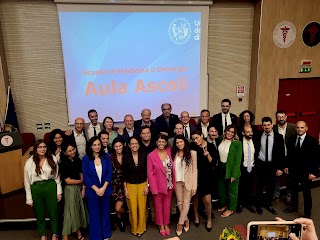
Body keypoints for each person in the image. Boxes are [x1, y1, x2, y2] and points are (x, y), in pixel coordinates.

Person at [24, 140, 62, 240]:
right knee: (39, 213)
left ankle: (55, 234)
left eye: (44, 147)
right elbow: (27, 182)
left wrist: (59, 192)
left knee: (53, 212)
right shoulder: (29, 162)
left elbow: (57, 177)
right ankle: (42, 235)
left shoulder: (52, 158)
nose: (42, 149)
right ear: (36, 149)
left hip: (50, 186)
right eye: (40, 147)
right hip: (36, 188)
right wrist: (29, 198)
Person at [283, 121, 319, 218]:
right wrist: (286, 166)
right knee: (293, 190)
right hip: (293, 170)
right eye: (298, 127)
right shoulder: (292, 139)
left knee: (306, 193)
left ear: (306, 128)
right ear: (296, 129)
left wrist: (313, 172)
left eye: (302, 127)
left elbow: (316, 158)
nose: (299, 129)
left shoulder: (312, 141)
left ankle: (307, 213)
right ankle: (294, 207)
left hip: (306, 172)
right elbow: (289, 155)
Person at [82, 136, 112, 240]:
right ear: (90, 146)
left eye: (99, 144)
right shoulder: (86, 159)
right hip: (92, 192)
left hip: (105, 190)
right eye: (94, 145)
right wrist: (96, 189)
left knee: (105, 213)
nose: (97, 147)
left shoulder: (106, 156)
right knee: (94, 215)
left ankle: (106, 234)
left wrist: (103, 188)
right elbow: (86, 176)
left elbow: (109, 173)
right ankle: (96, 237)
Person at [255, 117, 285, 215]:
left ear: (272, 125)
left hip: (273, 165)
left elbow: (281, 153)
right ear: (262, 126)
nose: (267, 127)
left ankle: (268, 204)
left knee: (271, 186)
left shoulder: (278, 137)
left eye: (268, 125)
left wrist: (280, 168)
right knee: (259, 186)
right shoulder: (258, 135)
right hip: (261, 164)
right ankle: (258, 205)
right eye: (264, 125)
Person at [148, 134, 176, 236]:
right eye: (159, 142)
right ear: (156, 142)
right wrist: (153, 188)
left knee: (167, 206)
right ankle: (161, 225)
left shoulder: (169, 151)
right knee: (158, 206)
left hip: (169, 184)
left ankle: (166, 223)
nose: (161, 144)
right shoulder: (151, 155)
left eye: (163, 142)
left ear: (166, 143)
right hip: (158, 186)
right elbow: (150, 174)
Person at [59, 142, 87, 240]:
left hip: (79, 189)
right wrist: (81, 181)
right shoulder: (63, 163)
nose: (72, 152)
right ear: (64, 152)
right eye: (69, 151)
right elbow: (68, 181)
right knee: (70, 213)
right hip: (70, 190)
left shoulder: (78, 160)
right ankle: (65, 236)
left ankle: (78, 231)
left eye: (73, 150)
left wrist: (83, 187)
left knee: (77, 211)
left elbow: (81, 173)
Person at [190, 129, 216, 232]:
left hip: (207, 177)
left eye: (197, 137)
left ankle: (209, 219)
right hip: (195, 176)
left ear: (202, 135)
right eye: (193, 139)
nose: (195, 140)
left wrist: (207, 155)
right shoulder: (192, 147)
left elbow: (213, 163)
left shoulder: (211, 146)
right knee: (195, 198)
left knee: (207, 200)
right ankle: (196, 216)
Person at [171, 135, 197, 236]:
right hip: (177, 182)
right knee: (180, 203)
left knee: (186, 203)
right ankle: (186, 219)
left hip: (188, 182)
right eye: (177, 143)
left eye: (181, 142)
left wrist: (194, 186)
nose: (179, 144)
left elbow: (195, 170)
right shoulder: (174, 154)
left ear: (185, 142)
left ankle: (180, 224)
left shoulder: (192, 153)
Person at [123, 136, 148, 237]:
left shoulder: (144, 155)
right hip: (130, 185)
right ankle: (134, 228)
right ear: (129, 145)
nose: (134, 145)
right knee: (132, 209)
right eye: (132, 144)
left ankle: (141, 229)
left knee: (142, 208)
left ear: (139, 144)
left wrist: (147, 185)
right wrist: (125, 189)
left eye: (136, 143)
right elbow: (124, 175)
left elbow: (148, 172)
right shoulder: (126, 157)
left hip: (143, 184)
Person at [217, 125, 242, 218]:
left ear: (235, 134)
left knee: (232, 191)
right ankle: (224, 205)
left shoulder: (237, 143)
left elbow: (237, 160)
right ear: (225, 131)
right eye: (228, 131)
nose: (230, 133)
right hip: (221, 168)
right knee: (221, 189)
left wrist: (234, 175)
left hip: (231, 169)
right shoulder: (221, 140)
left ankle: (231, 209)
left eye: (232, 132)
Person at [273, 110, 296, 203]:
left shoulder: (293, 127)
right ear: (276, 118)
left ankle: (289, 195)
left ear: (286, 117)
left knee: (289, 176)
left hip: (289, 156)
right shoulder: (273, 128)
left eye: (283, 117)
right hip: (277, 157)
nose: (281, 119)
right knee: (276, 176)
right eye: (279, 117)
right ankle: (276, 194)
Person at [237, 125, 258, 214]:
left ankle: (248, 204)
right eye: (248, 132)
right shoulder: (239, 142)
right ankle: (240, 204)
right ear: (243, 133)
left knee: (250, 187)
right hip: (242, 168)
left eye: (251, 132)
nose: (250, 134)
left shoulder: (256, 141)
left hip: (252, 168)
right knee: (240, 187)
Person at [110, 138, 126, 232]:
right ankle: (120, 220)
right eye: (116, 146)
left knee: (118, 207)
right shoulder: (110, 157)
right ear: (113, 147)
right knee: (114, 207)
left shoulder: (127, 156)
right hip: (113, 185)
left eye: (120, 146)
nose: (118, 148)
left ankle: (124, 217)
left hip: (125, 185)